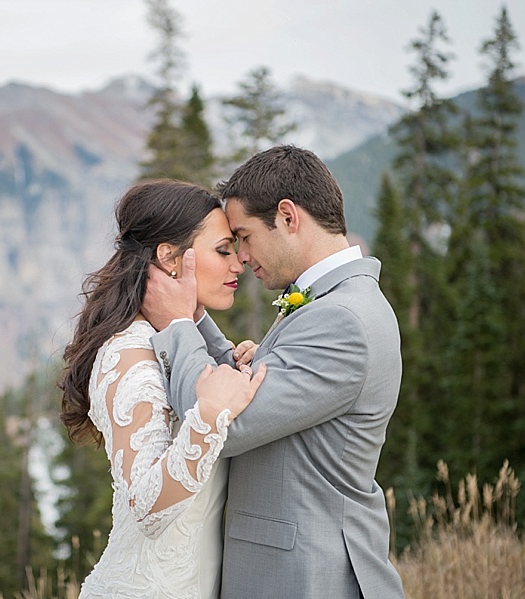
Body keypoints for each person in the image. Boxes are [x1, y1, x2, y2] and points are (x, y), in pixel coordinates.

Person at [142, 146, 405, 598]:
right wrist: (200, 315)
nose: (241, 256)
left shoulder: (342, 319)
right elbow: (256, 394)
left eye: (243, 235)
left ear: (287, 217)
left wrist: (178, 323)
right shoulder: (331, 302)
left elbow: (222, 422)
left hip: (309, 579)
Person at [59, 179, 266, 599]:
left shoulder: (174, 341)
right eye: (223, 250)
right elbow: (147, 507)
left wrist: (234, 367)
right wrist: (209, 416)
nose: (238, 264)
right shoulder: (129, 355)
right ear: (169, 258)